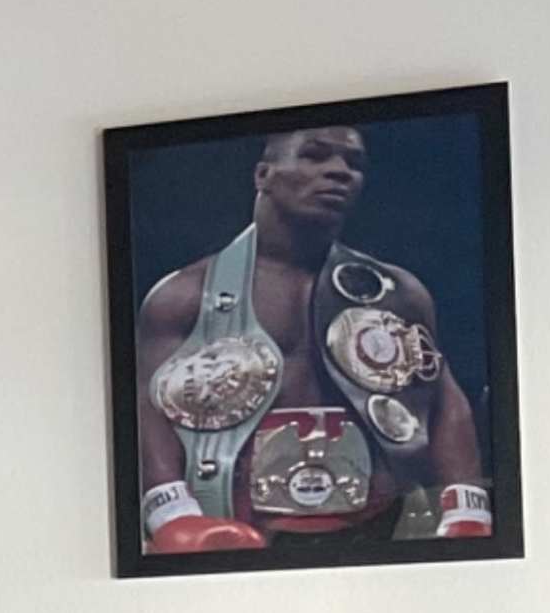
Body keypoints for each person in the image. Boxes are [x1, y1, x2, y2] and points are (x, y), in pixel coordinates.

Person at [131, 125, 492, 555]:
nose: (339, 171)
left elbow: (441, 398)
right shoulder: (185, 296)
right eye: (315, 155)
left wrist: (468, 506)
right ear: (263, 175)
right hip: (236, 526)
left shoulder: (399, 293)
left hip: (381, 523)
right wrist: (173, 516)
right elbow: (149, 406)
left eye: (354, 163)